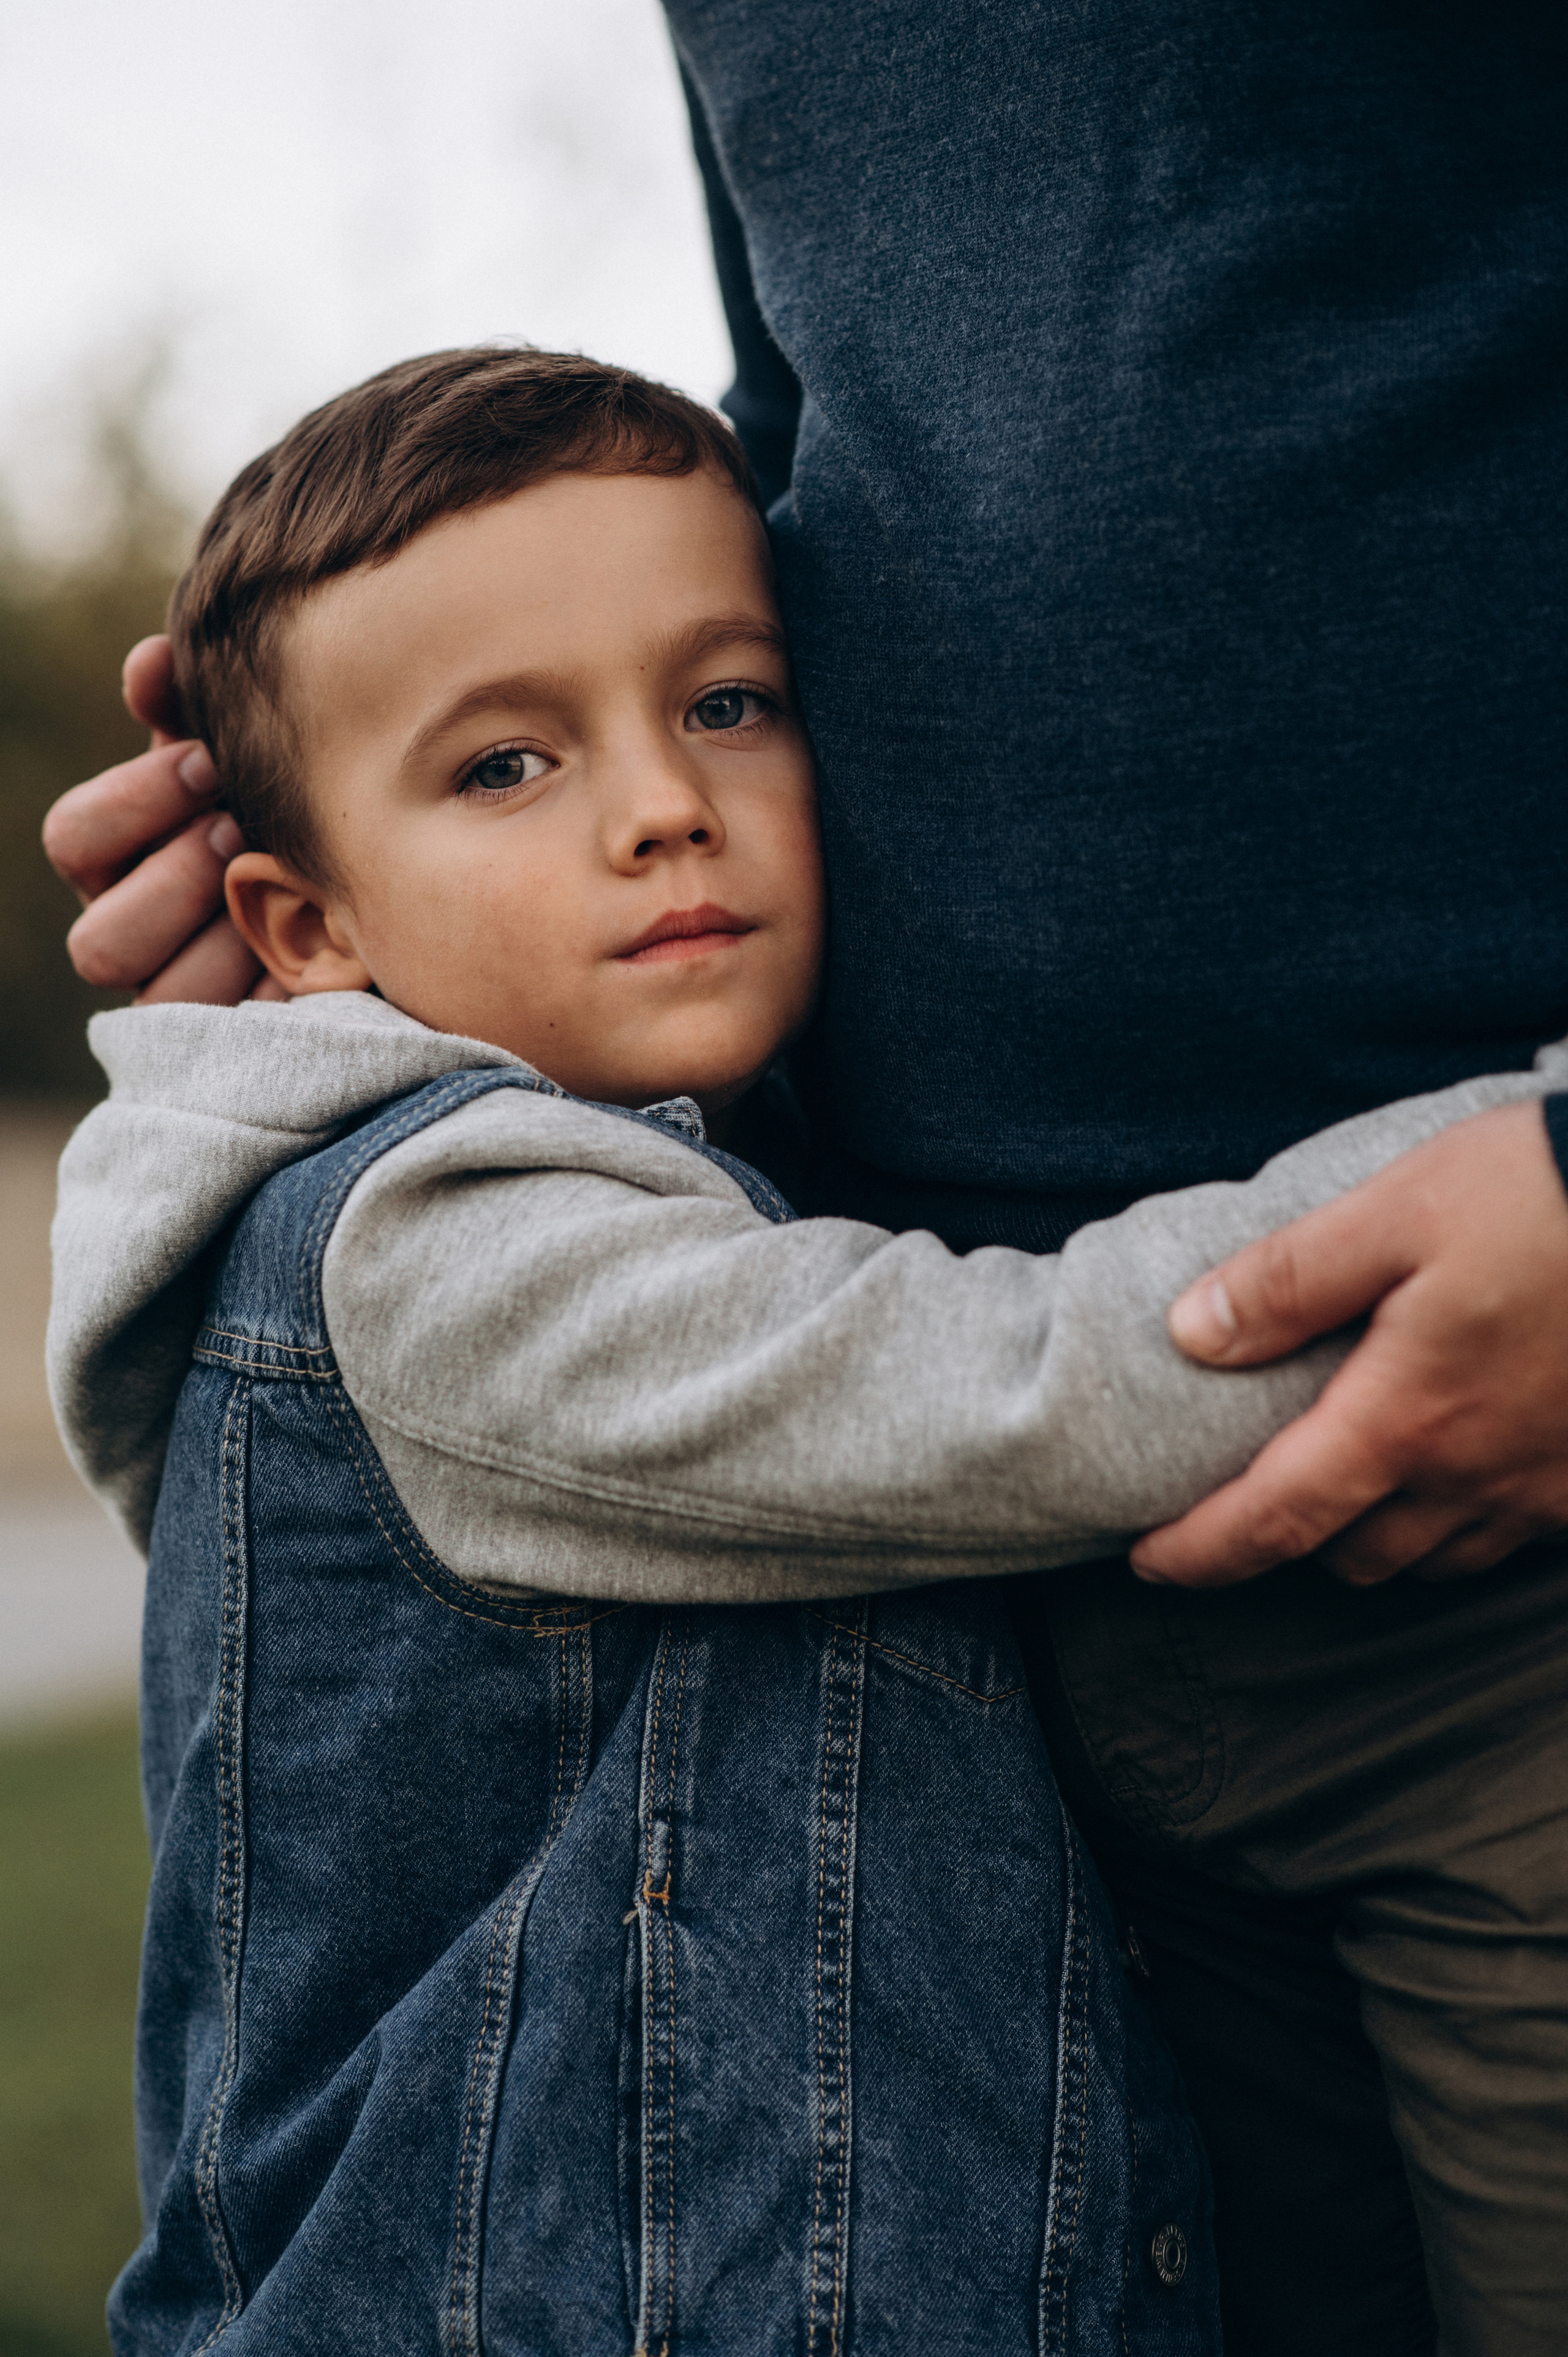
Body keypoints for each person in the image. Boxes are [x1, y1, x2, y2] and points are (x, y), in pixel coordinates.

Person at [44, 13, 1568, 2350]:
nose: (663, 805)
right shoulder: (460, 1258)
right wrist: (1451, 1171)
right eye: (511, 759)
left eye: (730, 702)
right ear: (301, 926)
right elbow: (1018, 1383)